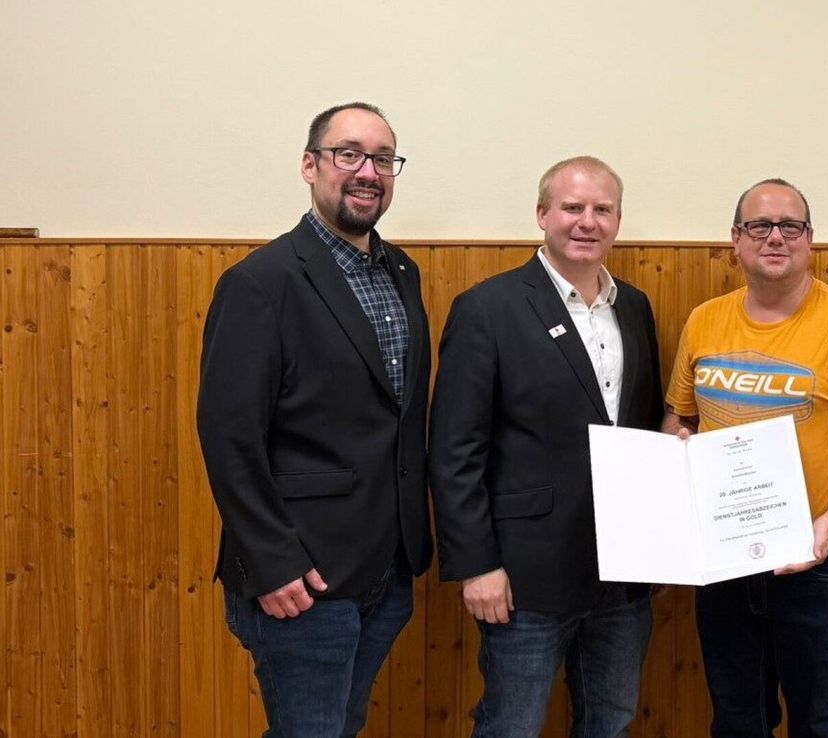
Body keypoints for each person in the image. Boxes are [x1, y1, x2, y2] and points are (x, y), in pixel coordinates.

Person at [196, 102, 432, 737]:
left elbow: (398, 418)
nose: (368, 171)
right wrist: (271, 562)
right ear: (310, 165)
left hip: (384, 569)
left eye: (383, 158)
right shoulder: (261, 282)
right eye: (348, 153)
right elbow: (229, 435)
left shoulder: (401, 273)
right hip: (302, 577)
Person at [663, 178, 828, 737]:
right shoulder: (705, 320)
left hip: (816, 562)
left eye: (790, 226)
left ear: (809, 239)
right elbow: (681, 416)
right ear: (736, 239)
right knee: (736, 720)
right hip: (723, 564)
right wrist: (678, 455)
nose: (775, 237)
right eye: (760, 226)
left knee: (823, 722)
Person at [429, 155, 663, 737]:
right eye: (572, 207)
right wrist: (477, 564)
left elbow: (641, 432)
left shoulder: (634, 308)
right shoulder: (488, 308)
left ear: (617, 221)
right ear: (542, 215)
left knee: (610, 721)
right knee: (512, 725)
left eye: (602, 210)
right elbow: (455, 449)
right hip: (525, 577)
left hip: (623, 573)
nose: (587, 222)